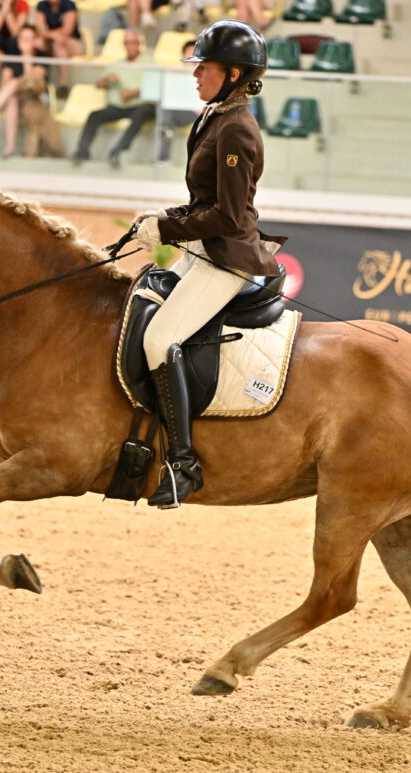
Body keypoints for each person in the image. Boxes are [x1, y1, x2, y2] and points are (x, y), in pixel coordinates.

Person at [131, 20, 284, 508]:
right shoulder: (215, 115)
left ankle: (183, 464)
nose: (195, 74)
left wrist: (169, 229)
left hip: (224, 259)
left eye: (204, 67)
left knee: (160, 339)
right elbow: (203, 200)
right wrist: (165, 216)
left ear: (234, 73)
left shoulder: (237, 127)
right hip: (200, 251)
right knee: (140, 302)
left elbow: (226, 216)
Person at [71, 29, 155, 168]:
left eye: (133, 42)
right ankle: (82, 151)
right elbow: (98, 84)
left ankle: (118, 151)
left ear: (139, 44)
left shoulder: (149, 62)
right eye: (127, 43)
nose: (130, 46)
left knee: (143, 113)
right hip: (117, 106)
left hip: (139, 105)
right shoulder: (117, 64)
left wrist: (134, 93)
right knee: (94, 115)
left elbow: (154, 87)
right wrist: (106, 80)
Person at [0, 24, 48, 157]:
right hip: (16, 99)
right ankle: (10, 147)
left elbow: (31, 83)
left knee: (15, 82)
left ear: (35, 41)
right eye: (23, 38)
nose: (25, 42)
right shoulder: (12, 58)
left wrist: (26, 56)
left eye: (29, 39)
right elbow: (5, 85)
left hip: (36, 99)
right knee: (12, 96)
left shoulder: (42, 57)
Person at [156, 39, 200, 165]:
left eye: (195, 52)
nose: (192, 55)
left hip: (194, 112)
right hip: (174, 109)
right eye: (189, 52)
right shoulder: (174, 72)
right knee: (164, 110)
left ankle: (163, 156)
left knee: (165, 117)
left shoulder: (206, 74)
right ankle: (163, 156)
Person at [35, 0, 84, 97]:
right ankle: (39, 78)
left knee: (59, 44)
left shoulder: (69, 5)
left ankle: (63, 85)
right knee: (37, 43)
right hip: (52, 41)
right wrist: (53, 35)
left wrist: (49, 34)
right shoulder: (42, 5)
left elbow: (67, 31)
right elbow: (39, 30)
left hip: (70, 43)